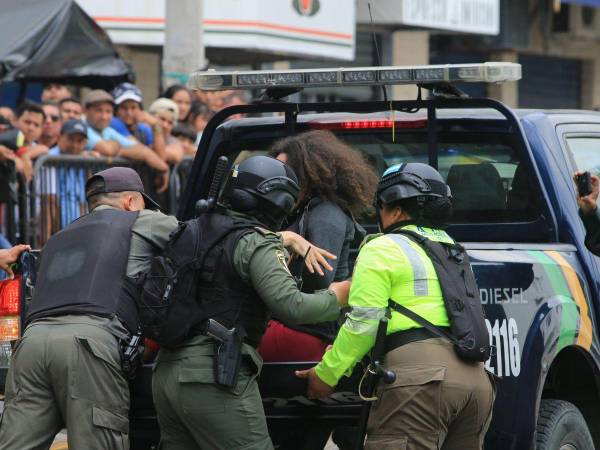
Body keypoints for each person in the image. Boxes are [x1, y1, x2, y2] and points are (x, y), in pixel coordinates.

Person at [151, 155, 351, 450]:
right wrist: (340, 295)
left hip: (165, 375)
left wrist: (286, 238)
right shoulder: (256, 243)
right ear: (280, 200)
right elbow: (293, 306)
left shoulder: (192, 230)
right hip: (211, 378)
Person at [296, 163, 495, 450]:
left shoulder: (382, 247)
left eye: (380, 206)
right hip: (476, 383)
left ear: (397, 210)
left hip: (421, 383)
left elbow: (364, 323)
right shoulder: (451, 247)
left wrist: (326, 374)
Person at [0, 167, 179, 449]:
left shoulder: (59, 236)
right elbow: (195, 241)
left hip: (31, 345)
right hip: (89, 345)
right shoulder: (140, 220)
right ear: (131, 202)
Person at [261, 130, 377, 363]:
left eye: (286, 172)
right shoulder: (298, 212)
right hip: (293, 324)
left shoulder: (326, 214)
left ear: (308, 175)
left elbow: (320, 280)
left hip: (307, 332)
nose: (277, 180)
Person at [83, 90, 170, 192]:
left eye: (108, 111)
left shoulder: (107, 130)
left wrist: (164, 169)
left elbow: (142, 150)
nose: (104, 117)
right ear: (86, 111)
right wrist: (120, 150)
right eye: (98, 111)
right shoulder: (82, 128)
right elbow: (108, 149)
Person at [0, 101, 47, 180]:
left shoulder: (41, 151)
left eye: (36, 125)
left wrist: (27, 156)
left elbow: (44, 149)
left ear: (41, 129)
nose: (31, 128)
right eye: (27, 122)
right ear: (15, 121)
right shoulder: (3, 142)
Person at [148, 97, 184, 163]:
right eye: (162, 119)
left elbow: (175, 155)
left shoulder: (173, 141)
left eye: (170, 123)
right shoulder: (141, 133)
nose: (165, 125)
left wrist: (156, 128)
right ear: (150, 117)